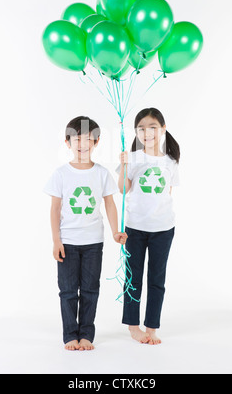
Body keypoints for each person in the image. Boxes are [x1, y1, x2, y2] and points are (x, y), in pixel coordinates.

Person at [43, 115, 127, 351]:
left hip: (93, 242)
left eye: (87, 139)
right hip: (68, 242)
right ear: (67, 142)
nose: (81, 144)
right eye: (76, 139)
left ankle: (86, 334)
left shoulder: (101, 173)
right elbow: (55, 208)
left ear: (96, 142)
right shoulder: (60, 174)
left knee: (90, 289)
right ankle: (70, 335)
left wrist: (114, 231)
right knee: (68, 290)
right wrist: (56, 240)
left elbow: (110, 204)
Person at [116, 107, 180, 345]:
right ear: (136, 132)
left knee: (156, 278)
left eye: (152, 127)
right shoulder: (132, 158)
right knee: (133, 277)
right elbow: (123, 189)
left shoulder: (170, 161)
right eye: (141, 128)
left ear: (162, 129)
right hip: (135, 227)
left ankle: (152, 326)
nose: (147, 132)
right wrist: (122, 165)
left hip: (163, 228)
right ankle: (133, 326)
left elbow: (168, 192)